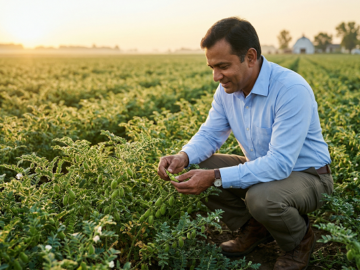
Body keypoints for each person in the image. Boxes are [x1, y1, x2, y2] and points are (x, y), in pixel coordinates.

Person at [157, 17, 333, 270]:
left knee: (261, 198)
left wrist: (214, 176)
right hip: (264, 168)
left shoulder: (290, 88)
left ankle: (298, 241)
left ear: (250, 57)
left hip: (309, 176)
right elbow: (210, 133)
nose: (217, 76)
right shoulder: (227, 91)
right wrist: (183, 156)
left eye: (223, 66)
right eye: (212, 68)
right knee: (198, 164)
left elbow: (281, 164)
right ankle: (255, 227)